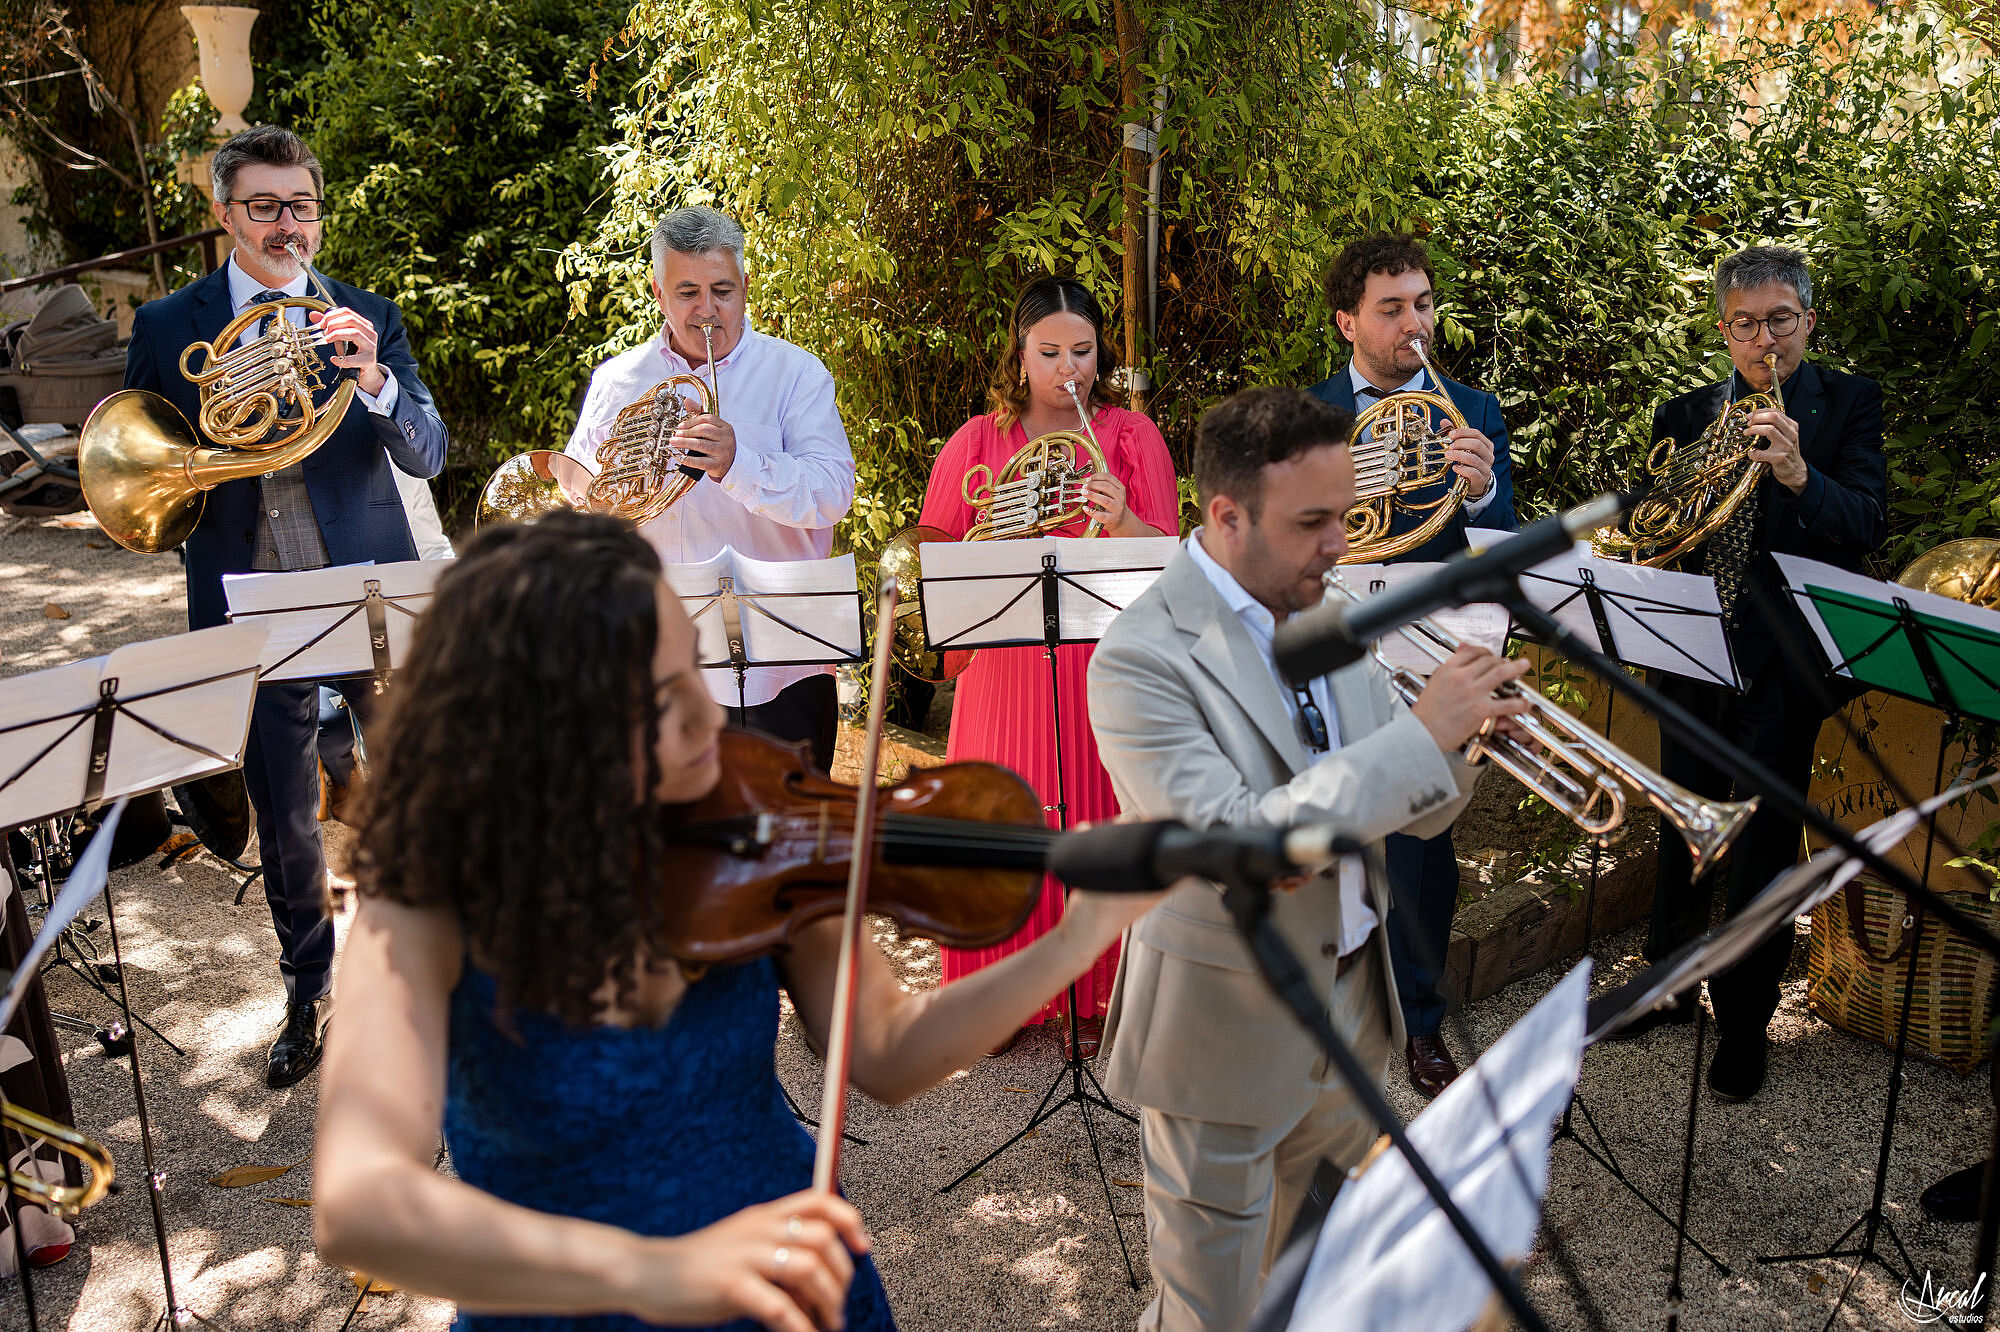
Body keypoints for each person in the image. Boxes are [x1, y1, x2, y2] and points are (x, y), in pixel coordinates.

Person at [313, 511, 1165, 1332]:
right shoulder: (425, 899)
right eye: (655, 698)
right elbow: (360, 1204)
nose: (704, 716)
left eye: (692, 670)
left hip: (784, 1292)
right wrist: (654, 1272)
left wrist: (1078, 937)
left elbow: (891, 1055)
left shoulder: (752, 823)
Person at [1087, 386, 1526, 1331]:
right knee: (1213, 1311)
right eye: (1313, 522)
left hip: (1353, 1012)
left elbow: (1419, 815)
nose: (1342, 544)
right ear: (1226, 516)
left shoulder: (1319, 611)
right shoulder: (1137, 658)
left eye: (1344, 513)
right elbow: (1239, 844)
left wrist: (1465, 741)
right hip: (1223, 1030)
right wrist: (1420, 736)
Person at [121, 124, 449, 1088]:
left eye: (299, 204)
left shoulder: (366, 316)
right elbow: (149, 471)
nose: (285, 224)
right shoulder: (169, 328)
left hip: (365, 590)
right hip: (248, 600)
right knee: (286, 811)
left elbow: (428, 452)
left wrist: (375, 379)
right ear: (224, 214)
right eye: (262, 206)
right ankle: (312, 985)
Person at [1620, 245, 1886, 1105]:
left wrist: (1800, 473)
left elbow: (1867, 522)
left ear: (1808, 321)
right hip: (1693, 652)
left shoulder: (1846, 404)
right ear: (1725, 330)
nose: (1764, 338)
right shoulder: (1688, 410)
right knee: (1681, 829)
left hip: (1784, 665)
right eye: (1746, 323)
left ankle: (1743, 1022)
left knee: (1764, 849)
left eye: (1781, 320)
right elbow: (1650, 526)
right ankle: (1666, 985)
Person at [917, 276, 1179, 1056]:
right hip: (1005, 670)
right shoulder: (975, 443)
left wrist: (1123, 518)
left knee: (1095, 822)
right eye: (1050, 352)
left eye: (1083, 350)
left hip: (1104, 668)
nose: (1069, 369)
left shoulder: (1132, 437)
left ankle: (1094, 997)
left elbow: (1172, 568)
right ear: (1020, 354)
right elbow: (937, 561)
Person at [1306, 233, 1518, 1099]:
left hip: (1434, 643)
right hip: (1340, 635)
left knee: (1426, 838)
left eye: (1423, 304)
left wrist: (1479, 488)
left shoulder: (1470, 409)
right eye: (1392, 309)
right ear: (1347, 320)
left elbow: (1501, 537)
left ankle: (1422, 1021)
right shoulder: (1308, 414)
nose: (1413, 324)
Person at [565, 205, 853, 771]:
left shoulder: (796, 375)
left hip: (782, 670)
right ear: (657, 292)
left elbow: (831, 493)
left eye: (722, 290)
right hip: (660, 668)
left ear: (746, 285)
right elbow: (583, 492)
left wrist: (739, 463)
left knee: (790, 847)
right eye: (688, 292)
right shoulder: (619, 380)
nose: (706, 310)